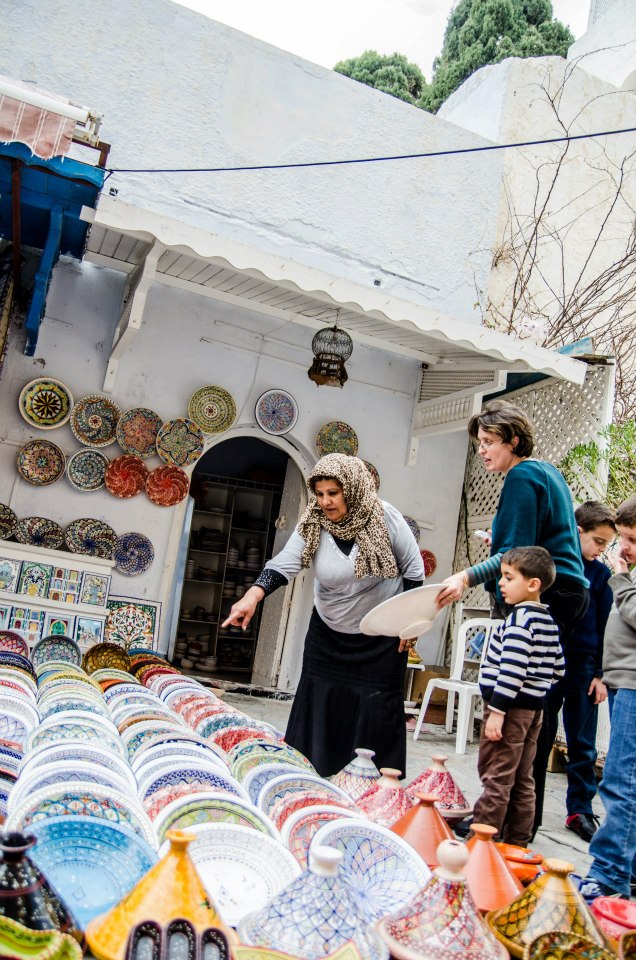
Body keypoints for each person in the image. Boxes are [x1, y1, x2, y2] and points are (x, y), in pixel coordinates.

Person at [435, 400, 588, 835]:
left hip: (548, 594)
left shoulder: (522, 475)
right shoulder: (547, 471)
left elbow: (513, 554)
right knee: (539, 709)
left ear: (513, 441)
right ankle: (520, 823)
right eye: (479, 443)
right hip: (568, 594)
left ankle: (494, 825)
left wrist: (466, 576)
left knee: (514, 715)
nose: (482, 452)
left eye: (488, 442)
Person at [222, 453, 425, 777]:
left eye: (333, 493)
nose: (325, 501)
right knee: (319, 701)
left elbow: (414, 573)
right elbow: (285, 563)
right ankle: (312, 776)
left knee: (374, 707)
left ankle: (373, 785)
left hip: (381, 636)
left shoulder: (385, 518)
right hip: (329, 632)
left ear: (353, 489)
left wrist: (408, 624)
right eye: (320, 494)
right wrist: (252, 596)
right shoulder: (314, 522)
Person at [472, 547, 563, 846]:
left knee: (496, 776)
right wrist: (536, 690)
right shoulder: (548, 622)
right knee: (524, 778)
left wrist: (498, 710)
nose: (501, 583)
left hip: (508, 711)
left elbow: (512, 669)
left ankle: (482, 841)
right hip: (534, 711)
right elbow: (559, 668)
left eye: (509, 577)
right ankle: (516, 845)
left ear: (533, 584)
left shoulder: (519, 622)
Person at [579, 494, 636, 901]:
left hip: (633, 684)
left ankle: (610, 873)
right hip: (623, 681)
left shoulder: (623, 576)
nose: (624, 547)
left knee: (620, 780)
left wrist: (620, 578)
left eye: (632, 538)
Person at [563, 501, 615, 843]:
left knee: (582, 741)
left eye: (607, 545)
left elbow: (607, 627)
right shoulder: (560, 565)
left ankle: (580, 809)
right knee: (536, 735)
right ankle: (528, 802)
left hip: (584, 666)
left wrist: (600, 673)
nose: (602, 550)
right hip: (549, 661)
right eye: (598, 542)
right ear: (578, 531)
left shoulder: (602, 575)